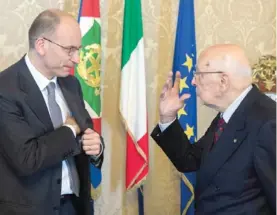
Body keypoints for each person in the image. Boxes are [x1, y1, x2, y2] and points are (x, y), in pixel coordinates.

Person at [0, 9, 104, 215]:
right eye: (69, 49)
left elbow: (86, 135)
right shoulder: (6, 89)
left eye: (78, 50)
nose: (76, 59)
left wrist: (97, 148)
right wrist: (70, 128)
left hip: (74, 206)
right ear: (41, 45)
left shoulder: (71, 84)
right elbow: (27, 159)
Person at [151, 44, 276, 214]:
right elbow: (191, 160)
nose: (194, 81)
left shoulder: (268, 121)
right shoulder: (229, 114)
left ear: (223, 82)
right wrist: (168, 118)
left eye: (199, 75)